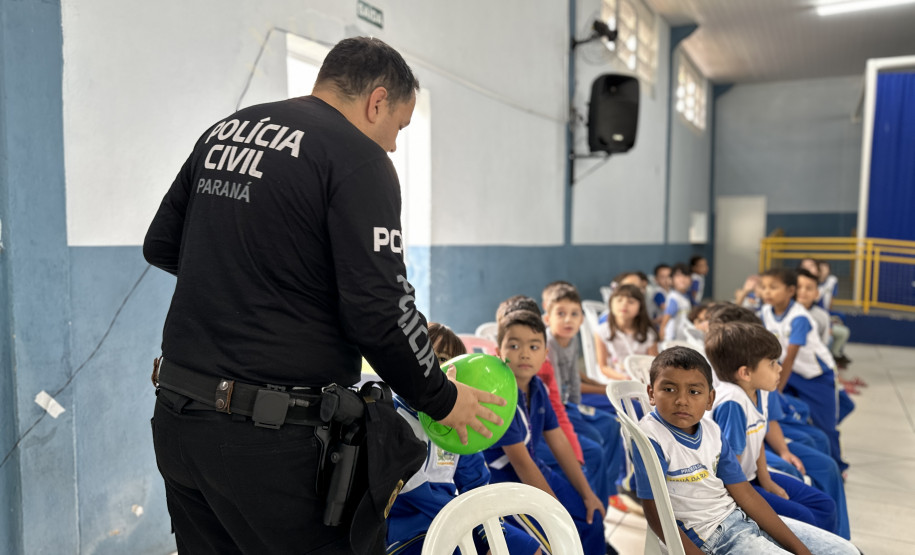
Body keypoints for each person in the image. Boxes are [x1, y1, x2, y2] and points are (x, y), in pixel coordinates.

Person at [143, 36, 502, 554]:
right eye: (398, 127)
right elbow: (382, 308)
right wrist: (442, 399)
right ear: (377, 100)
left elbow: (162, 245)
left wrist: (258, 286)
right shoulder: (358, 159)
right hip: (271, 442)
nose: (394, 146)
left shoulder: (226, 131)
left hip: (180, 418)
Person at [630, 347, 859, 554]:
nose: (681, 400)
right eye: (669, 389)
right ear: (651, 393)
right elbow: (655, 512)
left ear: (710, 399)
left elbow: (746, 494)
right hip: (712, 540)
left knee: (845, 551)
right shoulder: (651, 436)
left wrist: (802, 550)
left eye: (694, 392)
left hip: (741, 519)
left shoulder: (712, 431)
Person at [386, 323, 542, 555]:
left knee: (526, 548)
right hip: (408, 532)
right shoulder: (393, 416)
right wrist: (463, 518)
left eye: (446, 362)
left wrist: (490, 535)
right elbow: (415, 494)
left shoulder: (458, 420)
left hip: (457, 519)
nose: (436, 370)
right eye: (430, 358)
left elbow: (476, 484)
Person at [482, 310, 612, 555]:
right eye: (513, 345)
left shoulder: (538, 387)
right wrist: (553, 512)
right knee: (557, 540)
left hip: (536, 469)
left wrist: (587, 494)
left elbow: (559, 440)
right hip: (507, 484)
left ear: (545, 354)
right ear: (498, 352)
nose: (524, 353)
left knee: (590, 517)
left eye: (533, 346)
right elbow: (520, 463)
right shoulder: (500, 397)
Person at [705, 323, 839, 535]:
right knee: (803, 518)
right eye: (772, 363)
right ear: (745, 373)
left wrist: (767, 482)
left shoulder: (760, 391)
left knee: (825, 505)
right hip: (731, 490)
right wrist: (757, 497)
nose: (779, 368)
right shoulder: (733, 403)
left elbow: (756, 441)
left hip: (752, 478)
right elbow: (730, 473)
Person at [759, 269, 848, 473]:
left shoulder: (800, 317)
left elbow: (790, 357)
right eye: (764, 287)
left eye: (773, 287)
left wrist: (777, 388)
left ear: (790, 291)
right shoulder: (765, 312)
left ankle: (838, 467)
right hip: (790, 373)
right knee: (790, 416)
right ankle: (805, 460)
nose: (767, 292)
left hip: (816, 376)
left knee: (826, 425)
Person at [594, 284, 659, 381]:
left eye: (631, 302)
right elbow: (603, 366)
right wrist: (624, 378)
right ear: (610, 304)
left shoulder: (648, 334)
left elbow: (655, 364)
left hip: (643, 379)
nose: (624, 304)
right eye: (619, 300)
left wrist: (642, 379)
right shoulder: (602, 331)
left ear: (640, 308)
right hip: (617, 380)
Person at [658, 263, 692, 341]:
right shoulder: (674, 297)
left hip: (681, 337)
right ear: (671, 280)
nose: (682, 279)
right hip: (672, 338)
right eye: (678, 276)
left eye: (686, 276)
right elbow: (667, 315)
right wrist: (662, 330)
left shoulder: (685, 297)